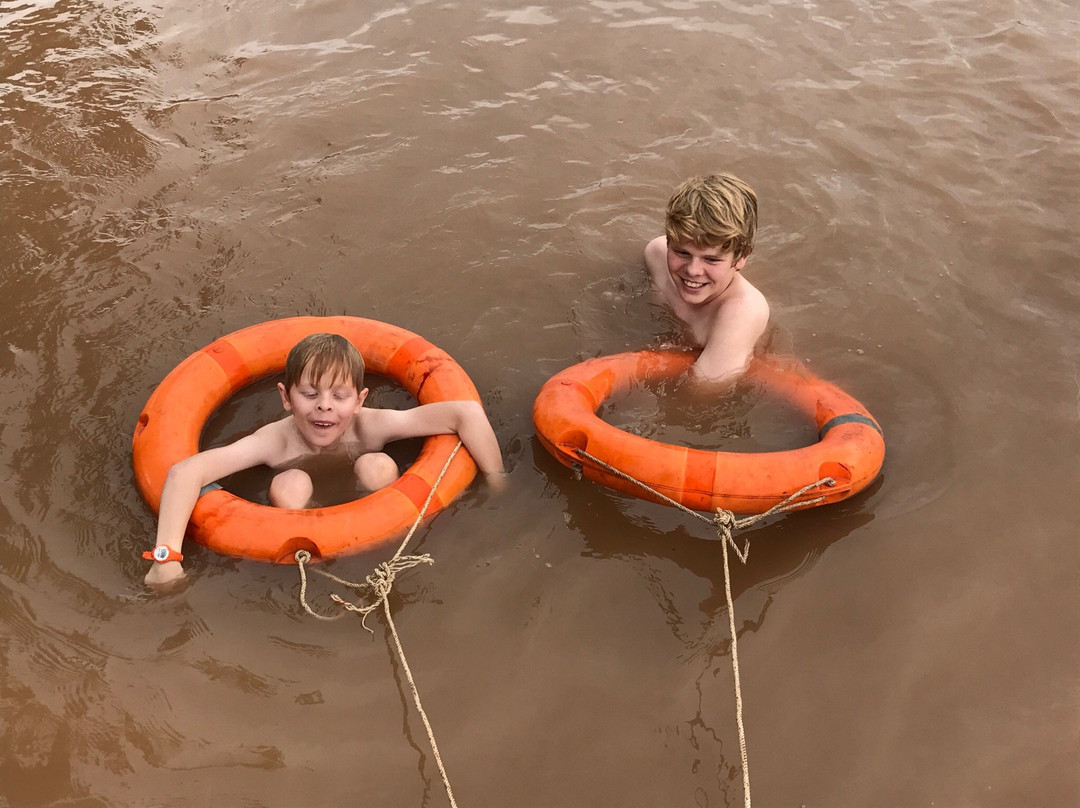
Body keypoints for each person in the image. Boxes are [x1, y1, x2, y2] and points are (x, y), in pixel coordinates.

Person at [143, 332, 505, 586]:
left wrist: (498, 481)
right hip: (301, 536)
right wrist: (166, 558)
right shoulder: (274, 442)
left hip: (378, 516)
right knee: (291, 483)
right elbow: (184, 472)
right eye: (310, 393)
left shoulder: (371, 426)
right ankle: (309, 570)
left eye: (340, 396)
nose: (325, 406)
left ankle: (382, 551)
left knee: (377, 466)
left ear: (359, 401)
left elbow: (466, 413)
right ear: (286, 397)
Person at [643, 172, 770, 383]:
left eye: (711, 259)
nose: (693, 270)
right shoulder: (655, 255)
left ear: (740, 258)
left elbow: (703, 389)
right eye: (682, 253)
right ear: (669, 242)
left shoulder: (743, 312)